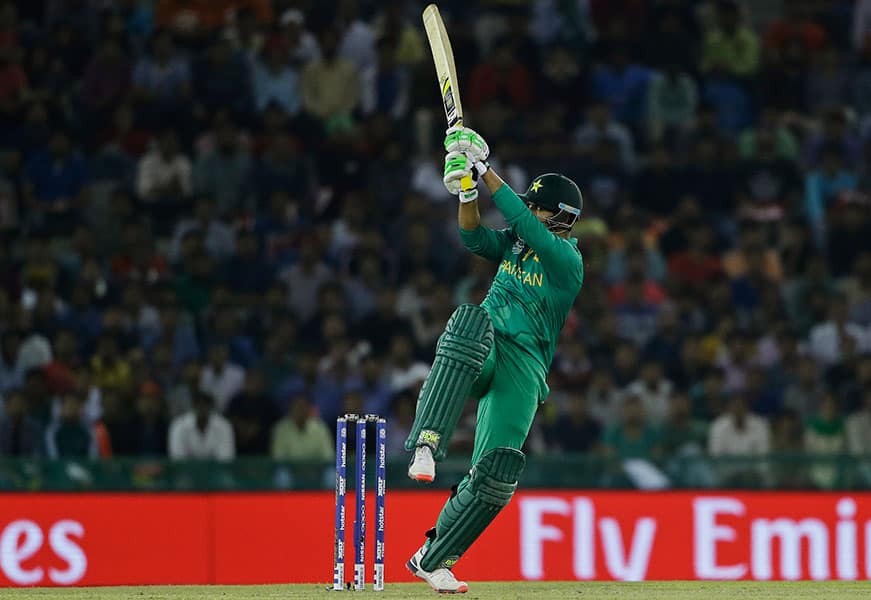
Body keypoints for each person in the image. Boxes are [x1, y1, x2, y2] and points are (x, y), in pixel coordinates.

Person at [404, 126, 584, 593]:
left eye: (537, 205)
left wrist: (486, 172)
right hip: (487, 344)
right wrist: (467, 189)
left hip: (525, 367)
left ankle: (434, 556)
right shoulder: (519, 242)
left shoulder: (565, 259)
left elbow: (523, 223)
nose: (530, 211)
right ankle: (427, 442)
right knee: (466, 324)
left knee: (497, 471)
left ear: (560, 217)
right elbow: (473, 237)